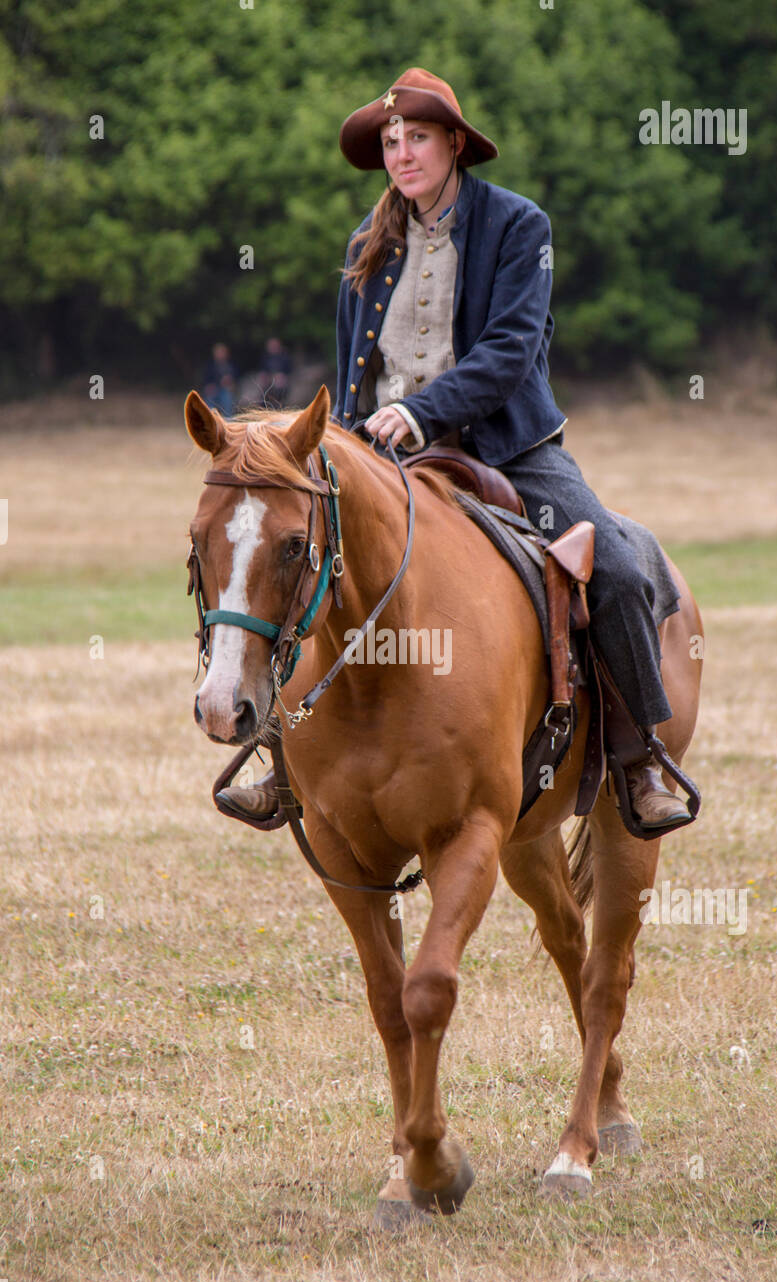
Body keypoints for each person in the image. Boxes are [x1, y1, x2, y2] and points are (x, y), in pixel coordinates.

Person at [221, 67, 689, 832]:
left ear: (454, 145)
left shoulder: (518, 226)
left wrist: (420, 409)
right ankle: (279, 758)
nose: (401, 153)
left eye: (417, 138)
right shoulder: (365, 244)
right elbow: (351, 371)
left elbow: (509, 350)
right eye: (390, 141)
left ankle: (639, 763)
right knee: (298, 559)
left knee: (622, 569)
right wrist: (336, 448)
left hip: (506, 450)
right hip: (382, 455)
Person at [202, 342, 239, 418]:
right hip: (213, 391)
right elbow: (206, 383)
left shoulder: (231, 366)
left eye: (222, 352)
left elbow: (235, 381)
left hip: (226, 391)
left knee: (227, 397)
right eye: (218, 352)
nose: (220, 354)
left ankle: (228, 420)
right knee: (209, 399)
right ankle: (210, 420)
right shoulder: (210, 366)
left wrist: (230, 383)